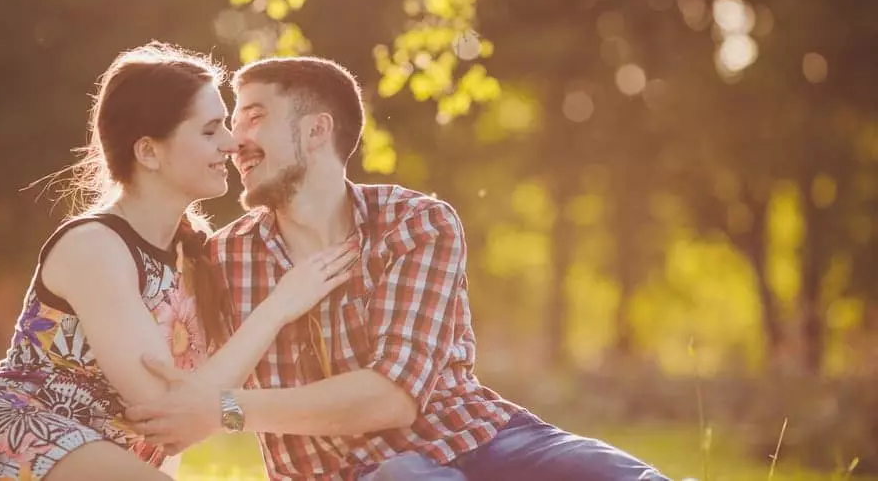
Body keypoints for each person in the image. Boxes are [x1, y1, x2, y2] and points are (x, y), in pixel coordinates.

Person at [127, 56, 671, 480]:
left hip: (480, 440)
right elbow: (172, 381)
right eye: (229, 122)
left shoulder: (416, 224)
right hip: (343, 474)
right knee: (403, 474)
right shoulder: (221, 259)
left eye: (255, 117)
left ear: (317, 132)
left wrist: (227, 409)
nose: (235, 140)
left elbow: (391, 398)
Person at [0, 43, 358, 481]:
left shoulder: (196, 255)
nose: (232, 143)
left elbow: (176, 430)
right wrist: (278, 307)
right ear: (148, 152)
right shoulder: (94, 247)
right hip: (0, 431)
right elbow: (163, 405)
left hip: (105, 457)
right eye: (209, 130)